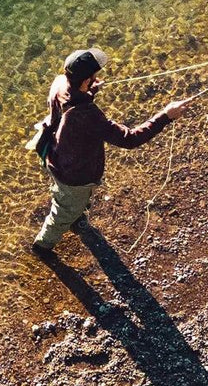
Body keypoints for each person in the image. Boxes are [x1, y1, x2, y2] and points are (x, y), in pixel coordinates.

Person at [31, 47, 190, 253]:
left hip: (53, 153)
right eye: (93, 77)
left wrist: (90, 91)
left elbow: (70, 101)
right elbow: (130, 139)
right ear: (86, 80)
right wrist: (165, 116)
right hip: (73, 175)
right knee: (62, 213)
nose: (97, 78)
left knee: (68, 200)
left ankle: (74, 214)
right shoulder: (87, 114)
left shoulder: (60, 83)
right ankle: (42, 247)